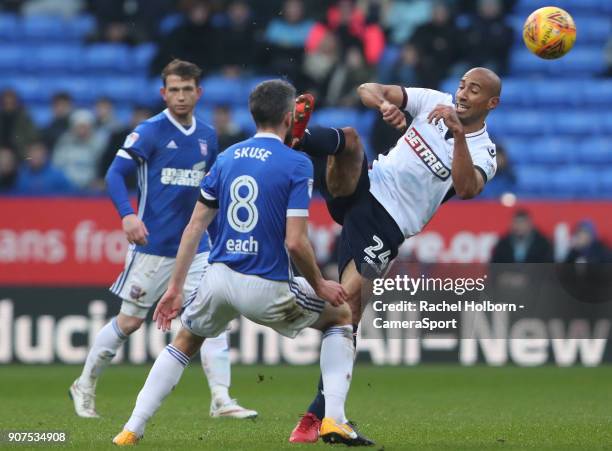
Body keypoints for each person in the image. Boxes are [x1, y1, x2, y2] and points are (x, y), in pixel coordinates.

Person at [112, 79, 373, 447]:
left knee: (186, 341)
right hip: (264, 285)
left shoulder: (226, 157)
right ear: (289, 117)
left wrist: (174, 289)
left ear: (253, 115)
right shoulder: (297, 163)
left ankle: (131, 429)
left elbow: (194, 228)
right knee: (342, 316)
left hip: (218, 279)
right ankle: (334, 419)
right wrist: (320, 284)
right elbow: (295, 242)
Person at [289, 67, 501, 442]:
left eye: (475, 90)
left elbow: (467, 188)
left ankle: (317, 416)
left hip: (389, 225)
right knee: (350, 140)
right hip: (367, 185)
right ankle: (297, 138)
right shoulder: (434, 100)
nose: (463, 94)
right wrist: (387, 104)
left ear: (491, 103)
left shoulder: (485, 151)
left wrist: (456, 135)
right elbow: (366, 86)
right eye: (463, 85)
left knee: (348, 306)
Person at [69, 59, 256, 421]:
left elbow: (211, 196)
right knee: (129, 322)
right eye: (174, 90)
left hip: (197, 249)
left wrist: (218, 241)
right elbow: (113, 175)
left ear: (198, 93)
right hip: (154, 248)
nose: (181, 96)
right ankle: (84, 384)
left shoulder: (207, 136)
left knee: (211, 314)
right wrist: (127, 215)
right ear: (163, 93)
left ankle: (221, 398)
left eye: (187, 89)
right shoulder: (150, 131)